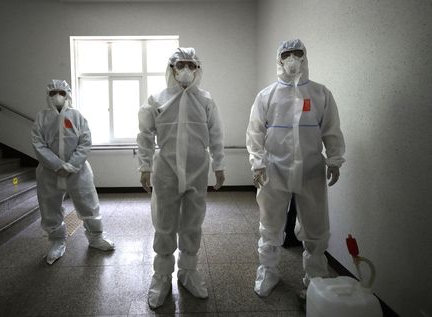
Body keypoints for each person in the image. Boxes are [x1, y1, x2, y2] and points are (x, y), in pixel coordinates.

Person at [246, 39, 345, 297]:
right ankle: (268, 271)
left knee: (315, 224)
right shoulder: (266, 95)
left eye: (297, 53)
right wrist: (257, 163)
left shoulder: (320, 93)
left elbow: (331, 129)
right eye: (286, 54)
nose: (292, 58)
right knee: (270, 223)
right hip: (273, 169)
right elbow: (255, 132)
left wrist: (334, 159)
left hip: (311, 170)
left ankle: (315, 275)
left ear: (305, 57)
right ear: (279, 59)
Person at [137, 48, 225, 309]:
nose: (186, 69)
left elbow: (217, 135)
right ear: (172, 68)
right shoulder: (157, 99)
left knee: (192, 223)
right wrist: (144, 167)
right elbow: (144, 134)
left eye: (191, 64)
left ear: (197, 69)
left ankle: (188, 272)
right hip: (166, 171)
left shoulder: (206, 100)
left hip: (198, 170)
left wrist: (219, 166)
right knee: (164, 223)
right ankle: (162, 276)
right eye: (180, 64)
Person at [32, 79, 115, 265]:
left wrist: (70, 165)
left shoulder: (77, 116)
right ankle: (57, 242)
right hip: (49, 173)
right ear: (48, 96)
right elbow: (38, 144)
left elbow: (85, 142)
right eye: (53, 93)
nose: (57, 96)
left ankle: (96, 238)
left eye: (61, 92)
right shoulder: (41, 117)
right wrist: (57, 165)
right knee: (50, 206)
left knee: (88, 203)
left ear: (68, 94)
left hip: (78, 171)